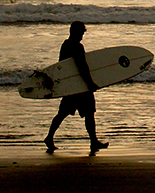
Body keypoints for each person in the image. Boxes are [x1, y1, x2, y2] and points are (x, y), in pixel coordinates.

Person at [44, 21, 109, 154]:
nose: (82, 35)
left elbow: (62, 67)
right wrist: (90, 83)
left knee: (63, 113)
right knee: (89, 113)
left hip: (71, 86)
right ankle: (93, 141)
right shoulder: (77, 47)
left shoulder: (65, 45)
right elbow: (82, 66)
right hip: (80, 87)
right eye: (81, 32)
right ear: (75, 32)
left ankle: (50, 137)